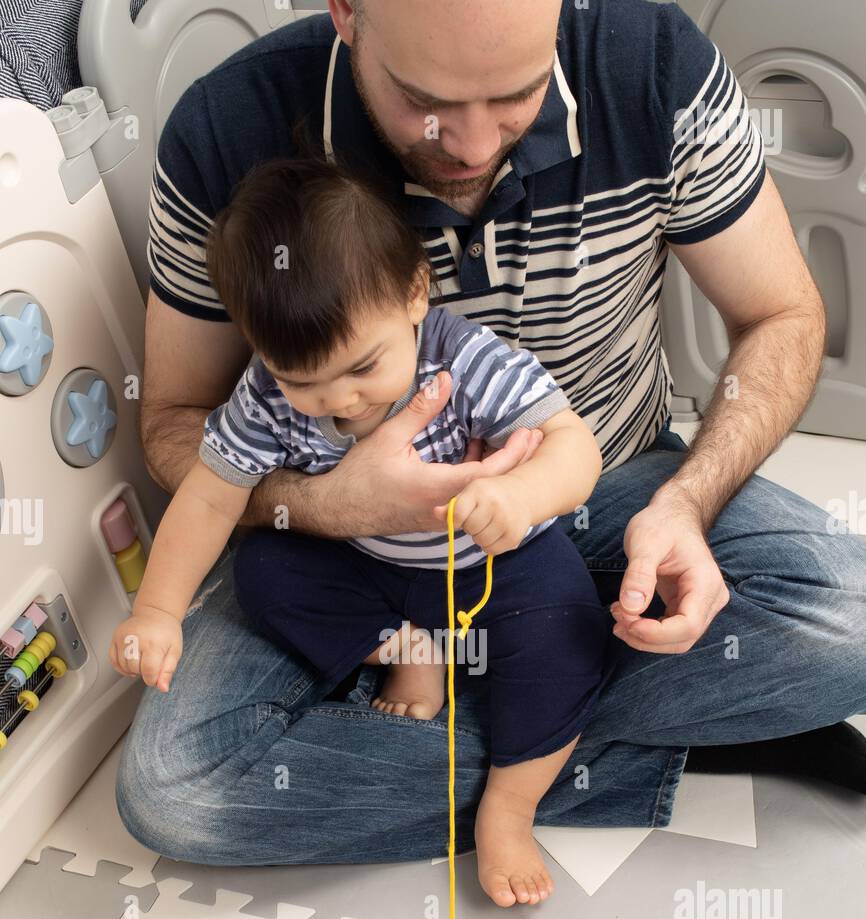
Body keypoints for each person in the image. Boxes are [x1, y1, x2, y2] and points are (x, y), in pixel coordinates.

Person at [116, 0, 866, 873]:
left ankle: (500, 743)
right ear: (347, 13)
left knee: (847, 616)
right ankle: (629, 734)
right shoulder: (226, 129)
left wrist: (682, 505)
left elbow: (781, 314)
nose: (473, 147)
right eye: (424, 99)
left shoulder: (651, 62)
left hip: (583, 500)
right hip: (335, 540)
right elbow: (180, 433)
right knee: (178, 789)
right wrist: (324, 505)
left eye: (516, 94)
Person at [110, 154, 613, 906]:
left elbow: (577, 446)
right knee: (264, 571)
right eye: (298, 379)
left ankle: (510, 807)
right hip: (369, 563)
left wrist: (521, 497)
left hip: (495, 561)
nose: (334, 401)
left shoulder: (463, 362)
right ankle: (412, 650)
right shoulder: (266, 395)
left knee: (565, 629)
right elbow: (211, 499)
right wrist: (156, 609)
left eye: (360, 368)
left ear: (415, 294)